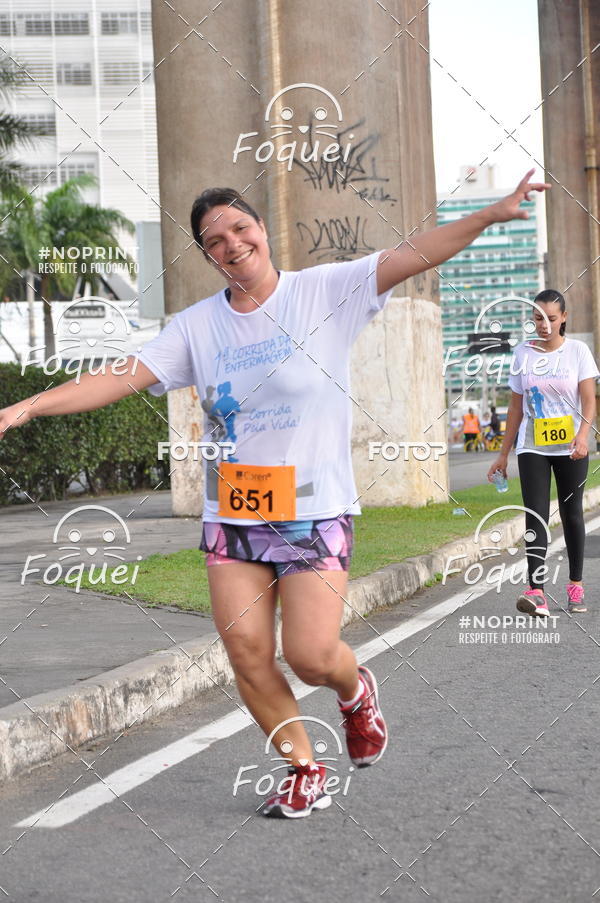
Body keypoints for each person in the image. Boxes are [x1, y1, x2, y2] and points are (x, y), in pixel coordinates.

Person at [0, 170, 549, 819]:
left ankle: (354, 690)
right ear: (207, 256)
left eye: (239, 228)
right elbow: (121, 375)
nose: (232, 244)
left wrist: (489, 216)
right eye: (215, 241)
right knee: (248, 654)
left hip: (314, 510)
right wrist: (30, 406)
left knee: (312, 655)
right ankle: (304, 767)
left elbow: (413, 254)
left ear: (261, 229)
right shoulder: (195, 327)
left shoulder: (325, 292)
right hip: (233, 514)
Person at [488, 289, 598, 617]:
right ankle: (536, 591)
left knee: (572, 514)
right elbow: (516, 407)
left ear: (563, 317)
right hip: (532, 446)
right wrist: (502, 454)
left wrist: (582, 436)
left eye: (551, 318)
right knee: (534, 514)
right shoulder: (523, 353)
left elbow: (589, 399)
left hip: (570, 447)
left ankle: (575, 586)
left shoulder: (577, 351)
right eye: (538, 319)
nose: (545, 325)